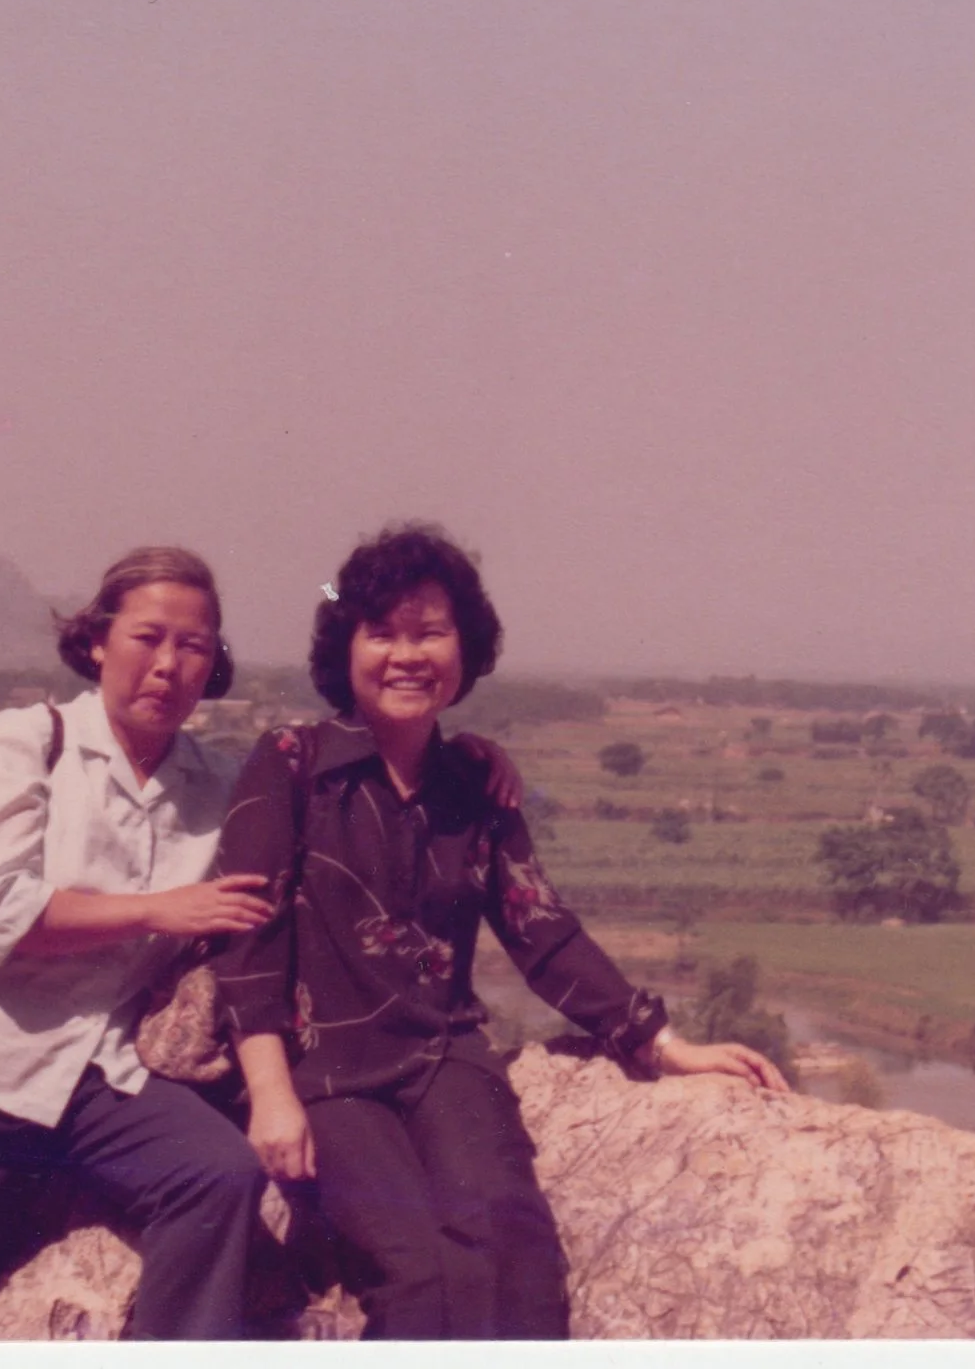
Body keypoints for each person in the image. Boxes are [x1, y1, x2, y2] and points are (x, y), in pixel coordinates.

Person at [0, 543, 530, 1340]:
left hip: (110, 1081)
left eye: (193, 646)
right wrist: (158, 909)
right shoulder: (31, 740)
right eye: (148, 637)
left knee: (216, 1175)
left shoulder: (226, 782)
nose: (168, 664)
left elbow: (345, 772)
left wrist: (460, 752)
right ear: (98, 640)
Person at [212, 523, 787, 1341]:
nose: (406, 654)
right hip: (324, 1073)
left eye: (430, 632)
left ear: (465, 650)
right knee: (419, 1274)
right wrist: (269, 1090)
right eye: (382, 632)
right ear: (345, 649)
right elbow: (246, 931)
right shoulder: (291, 761)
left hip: (445, 1058)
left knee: (513, 1242)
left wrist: (664, 1045)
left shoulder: (473, 783)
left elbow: (540, 931)